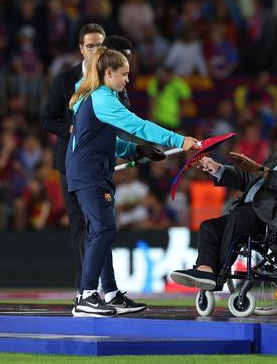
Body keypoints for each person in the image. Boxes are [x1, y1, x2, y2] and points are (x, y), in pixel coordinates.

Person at [66, 47, 199, 317]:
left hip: (89, 173)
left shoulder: (92, 98)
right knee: (104, 230)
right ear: (109, 73)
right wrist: (178, 139)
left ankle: (111, 293)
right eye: (124, 74)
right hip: (89, 174)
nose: (128, 80)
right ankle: (87, 295)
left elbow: (104, 140)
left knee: (99, 232)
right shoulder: (103, 98)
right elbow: (137, 125)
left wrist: (136, 151)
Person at [170, 119, 277, 289]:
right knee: (209, 226)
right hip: (253, 212)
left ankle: (217, 276)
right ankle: (205, 270)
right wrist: (218, 168)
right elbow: (250, 180)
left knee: (239, 216)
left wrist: (263, 171)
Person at [41, 23, 106, 296]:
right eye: (90, 45)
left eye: (100, 45)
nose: (95, 51)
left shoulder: (110, 79)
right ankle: (85, 289)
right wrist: (71, 129)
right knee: (81, 226)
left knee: (102, 226)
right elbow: (46, 119)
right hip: (70, 164)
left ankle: (107, 288)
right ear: (81, 49)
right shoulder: (66, 80)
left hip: (100, 164)